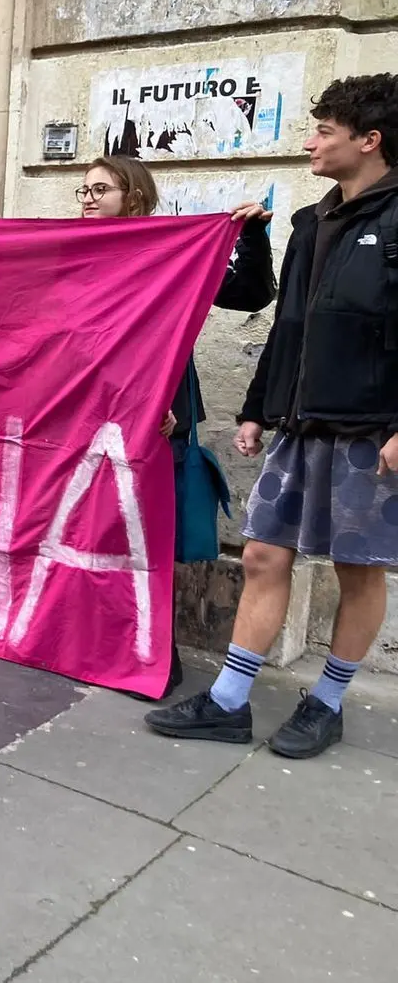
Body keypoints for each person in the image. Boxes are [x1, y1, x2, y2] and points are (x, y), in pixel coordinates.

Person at [146, 73, 398, 759]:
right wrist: (260, 406)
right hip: (301, 422)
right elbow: (287, 322)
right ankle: (229, 701)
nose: (310, 141)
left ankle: (329, 700)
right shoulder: (312, 222)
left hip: (370, 430)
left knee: (358, 569)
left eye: (324, 130)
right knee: (261, 555)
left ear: (370, 141)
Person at [77, 155, 276, 699]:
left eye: (101, 189)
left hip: (160, 417)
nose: (88, 198)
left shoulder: (170, 251)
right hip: (86, 413)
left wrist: (253, 238)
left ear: (134, 197)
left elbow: (248, 295)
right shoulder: (73, 248)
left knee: (146, 537)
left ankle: (152, 652)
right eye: (84, 190)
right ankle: (93, 641)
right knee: (90, 531)